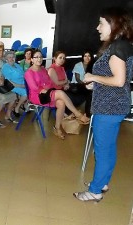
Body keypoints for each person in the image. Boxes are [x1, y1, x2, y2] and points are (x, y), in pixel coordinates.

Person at [73, 7, 133, 202]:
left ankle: (95, 190)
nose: (97, 27)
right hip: (113, 105)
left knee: (102, 149)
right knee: (107, 148)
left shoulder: (118, 47)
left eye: (101, 23)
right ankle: (103, 181)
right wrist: (95, 84)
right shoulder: (121, 45)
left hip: (109, 108)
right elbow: (114, 79)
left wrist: (92, 76)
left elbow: (118, 80)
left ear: (114, 25)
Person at [25, 49, 90, 140]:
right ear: (31, 59)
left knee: (61, 103)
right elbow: (35, 88)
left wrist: (47, 87)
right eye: (36, 57)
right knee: (60, 93)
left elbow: (49, 82)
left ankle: (57, 128)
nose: (39, 59)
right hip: (37, 96)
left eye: (40, 57)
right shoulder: (29, 73)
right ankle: (78, 114)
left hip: (47, 92)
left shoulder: (43, 69)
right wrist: (46, 88)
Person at [48, 50, 86, 115]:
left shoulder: (62, 68)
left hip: (63, 89)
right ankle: (69, 114)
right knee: (72, 98)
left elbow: (66, 80)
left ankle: (70, 114)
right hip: (55, 91)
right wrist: (65, 82)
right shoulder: (52, 69)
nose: (62, 59)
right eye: (60, 57)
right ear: (55, 58)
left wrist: (66, 84)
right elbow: (57, 83)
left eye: (63, 58)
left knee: (80, 95)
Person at [1, 51, 27, 117]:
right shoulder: (5, 67)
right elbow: (9, 81)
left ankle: (24, 104)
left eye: (13, 57)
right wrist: (21, 86)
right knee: (26, 93)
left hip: (23, 83)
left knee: (33, 89)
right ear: (6, 59)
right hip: (13, 86)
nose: (12, 59)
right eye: (9, 57)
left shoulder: (17, 65)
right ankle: (17, 108)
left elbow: (24, 75)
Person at [71, 50, 95, 117]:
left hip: (88, 85)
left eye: (89, 56)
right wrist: (85, 85)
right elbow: (77, 79)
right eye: (85, 56)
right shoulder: (78, 65)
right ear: (83, 57)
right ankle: (88, 114)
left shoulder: (93, 66)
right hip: (78, 85)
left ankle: (90, 113)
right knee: (89, 92)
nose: (87, 58)